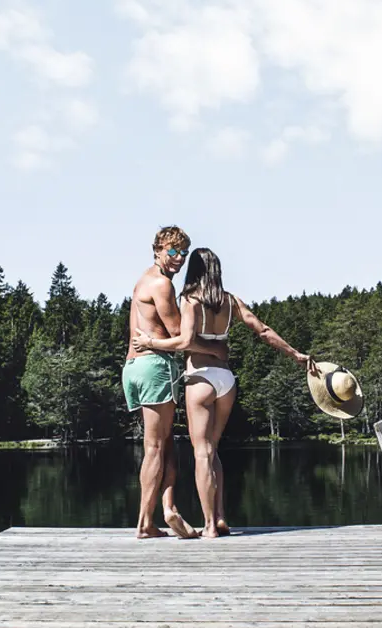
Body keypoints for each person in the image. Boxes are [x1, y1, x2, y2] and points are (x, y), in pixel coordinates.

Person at [132, 248, 316, 538]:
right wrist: (294, 354)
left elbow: (185, 342)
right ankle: (219, 517)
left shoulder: (190, 299)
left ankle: (208, 527)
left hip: (201, 378)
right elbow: (263, 329)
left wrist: (151, 342)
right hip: (226, 380)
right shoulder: (231, 301)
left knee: (202, 452)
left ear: (193, 270)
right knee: (213, 450)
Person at [123, 227, 224, 539]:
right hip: (156, 367)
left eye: (183, 253)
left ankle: (168, 510)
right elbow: (184, 338)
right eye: (172, 251)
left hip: (134, 367)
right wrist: (217, 349)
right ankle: (144, 523)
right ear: (157, 250)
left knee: (164, 444)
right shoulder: (162, 285)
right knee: (155, 446)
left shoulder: (143, 279)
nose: (179, 259)